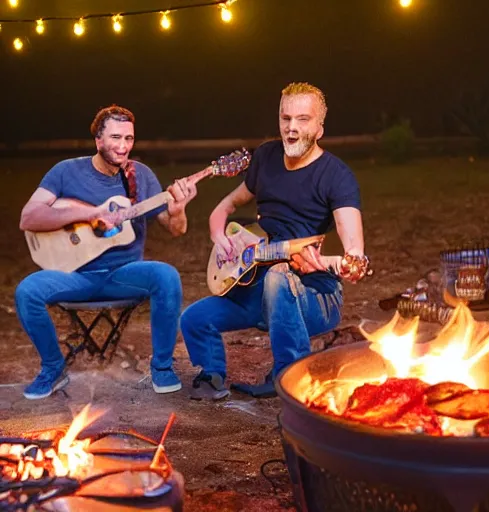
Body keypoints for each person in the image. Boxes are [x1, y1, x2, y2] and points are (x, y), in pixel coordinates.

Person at [180, 82, 369, 400]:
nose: (291, 129)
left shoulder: (337, 176)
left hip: (313, 297)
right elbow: (225, 207)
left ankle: (287, 375)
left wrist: (345, 264)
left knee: (279, 277)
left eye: (303, 119)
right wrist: (221, 239)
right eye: (285, 118)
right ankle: (212, 374)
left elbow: (355, 253)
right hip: (254, 286)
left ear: (320, 128)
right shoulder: (266, 156)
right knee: (194, 319)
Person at [16, 105, 197, 399]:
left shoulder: (141, 176)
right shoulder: (65, 172)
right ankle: (53, 368)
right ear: (98, 140)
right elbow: (29, 217)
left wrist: (178, 210)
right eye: (116, 137)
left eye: (129, 138)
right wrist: (91, 214)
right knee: (27, 291)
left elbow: (176, 229)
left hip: (122, 275)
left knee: (166, 276)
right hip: (75, 276)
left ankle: (162, 368)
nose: (123, 146)